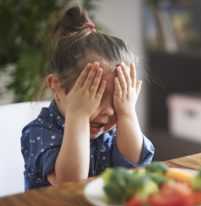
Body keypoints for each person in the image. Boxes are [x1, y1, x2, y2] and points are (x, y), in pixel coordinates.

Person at [21, 6, 154, 191]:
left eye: (117, 100)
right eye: (96, 98)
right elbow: (69, 183)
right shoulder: (39, 131)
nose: (108, 111)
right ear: (56, 88)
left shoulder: (114, 127)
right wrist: (78, 116)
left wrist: (127, 114)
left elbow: (134, 167)